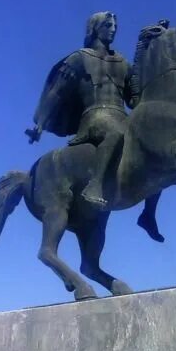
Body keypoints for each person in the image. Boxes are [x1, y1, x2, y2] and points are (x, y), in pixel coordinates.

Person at [27, 12, 133, 210]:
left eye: (115, 26)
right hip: (95, 116)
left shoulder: (123, 63)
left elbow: (134, 99)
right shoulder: (79, 58)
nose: (113, 30)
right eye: (107, 25)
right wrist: (40, 124)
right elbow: (56, 92)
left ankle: (148, 213)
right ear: (94, 28)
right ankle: (94, 187)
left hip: (121, 116)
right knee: (115, 132)